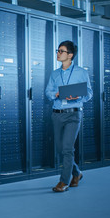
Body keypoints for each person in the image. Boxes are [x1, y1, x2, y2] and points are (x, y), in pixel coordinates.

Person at [45, 40, 93, 192]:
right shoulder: (55, 74)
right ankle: (77, 173)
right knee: (61, 149)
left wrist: (77, 97)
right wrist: (56, 94)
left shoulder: (81, 72)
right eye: (57, 51)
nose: (58, 54)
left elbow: (89, 93)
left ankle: (63, 182)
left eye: (61, 51)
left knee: (67, 148)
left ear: (70, 55)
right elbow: (48, 92)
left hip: (73, 114)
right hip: (57, 114)